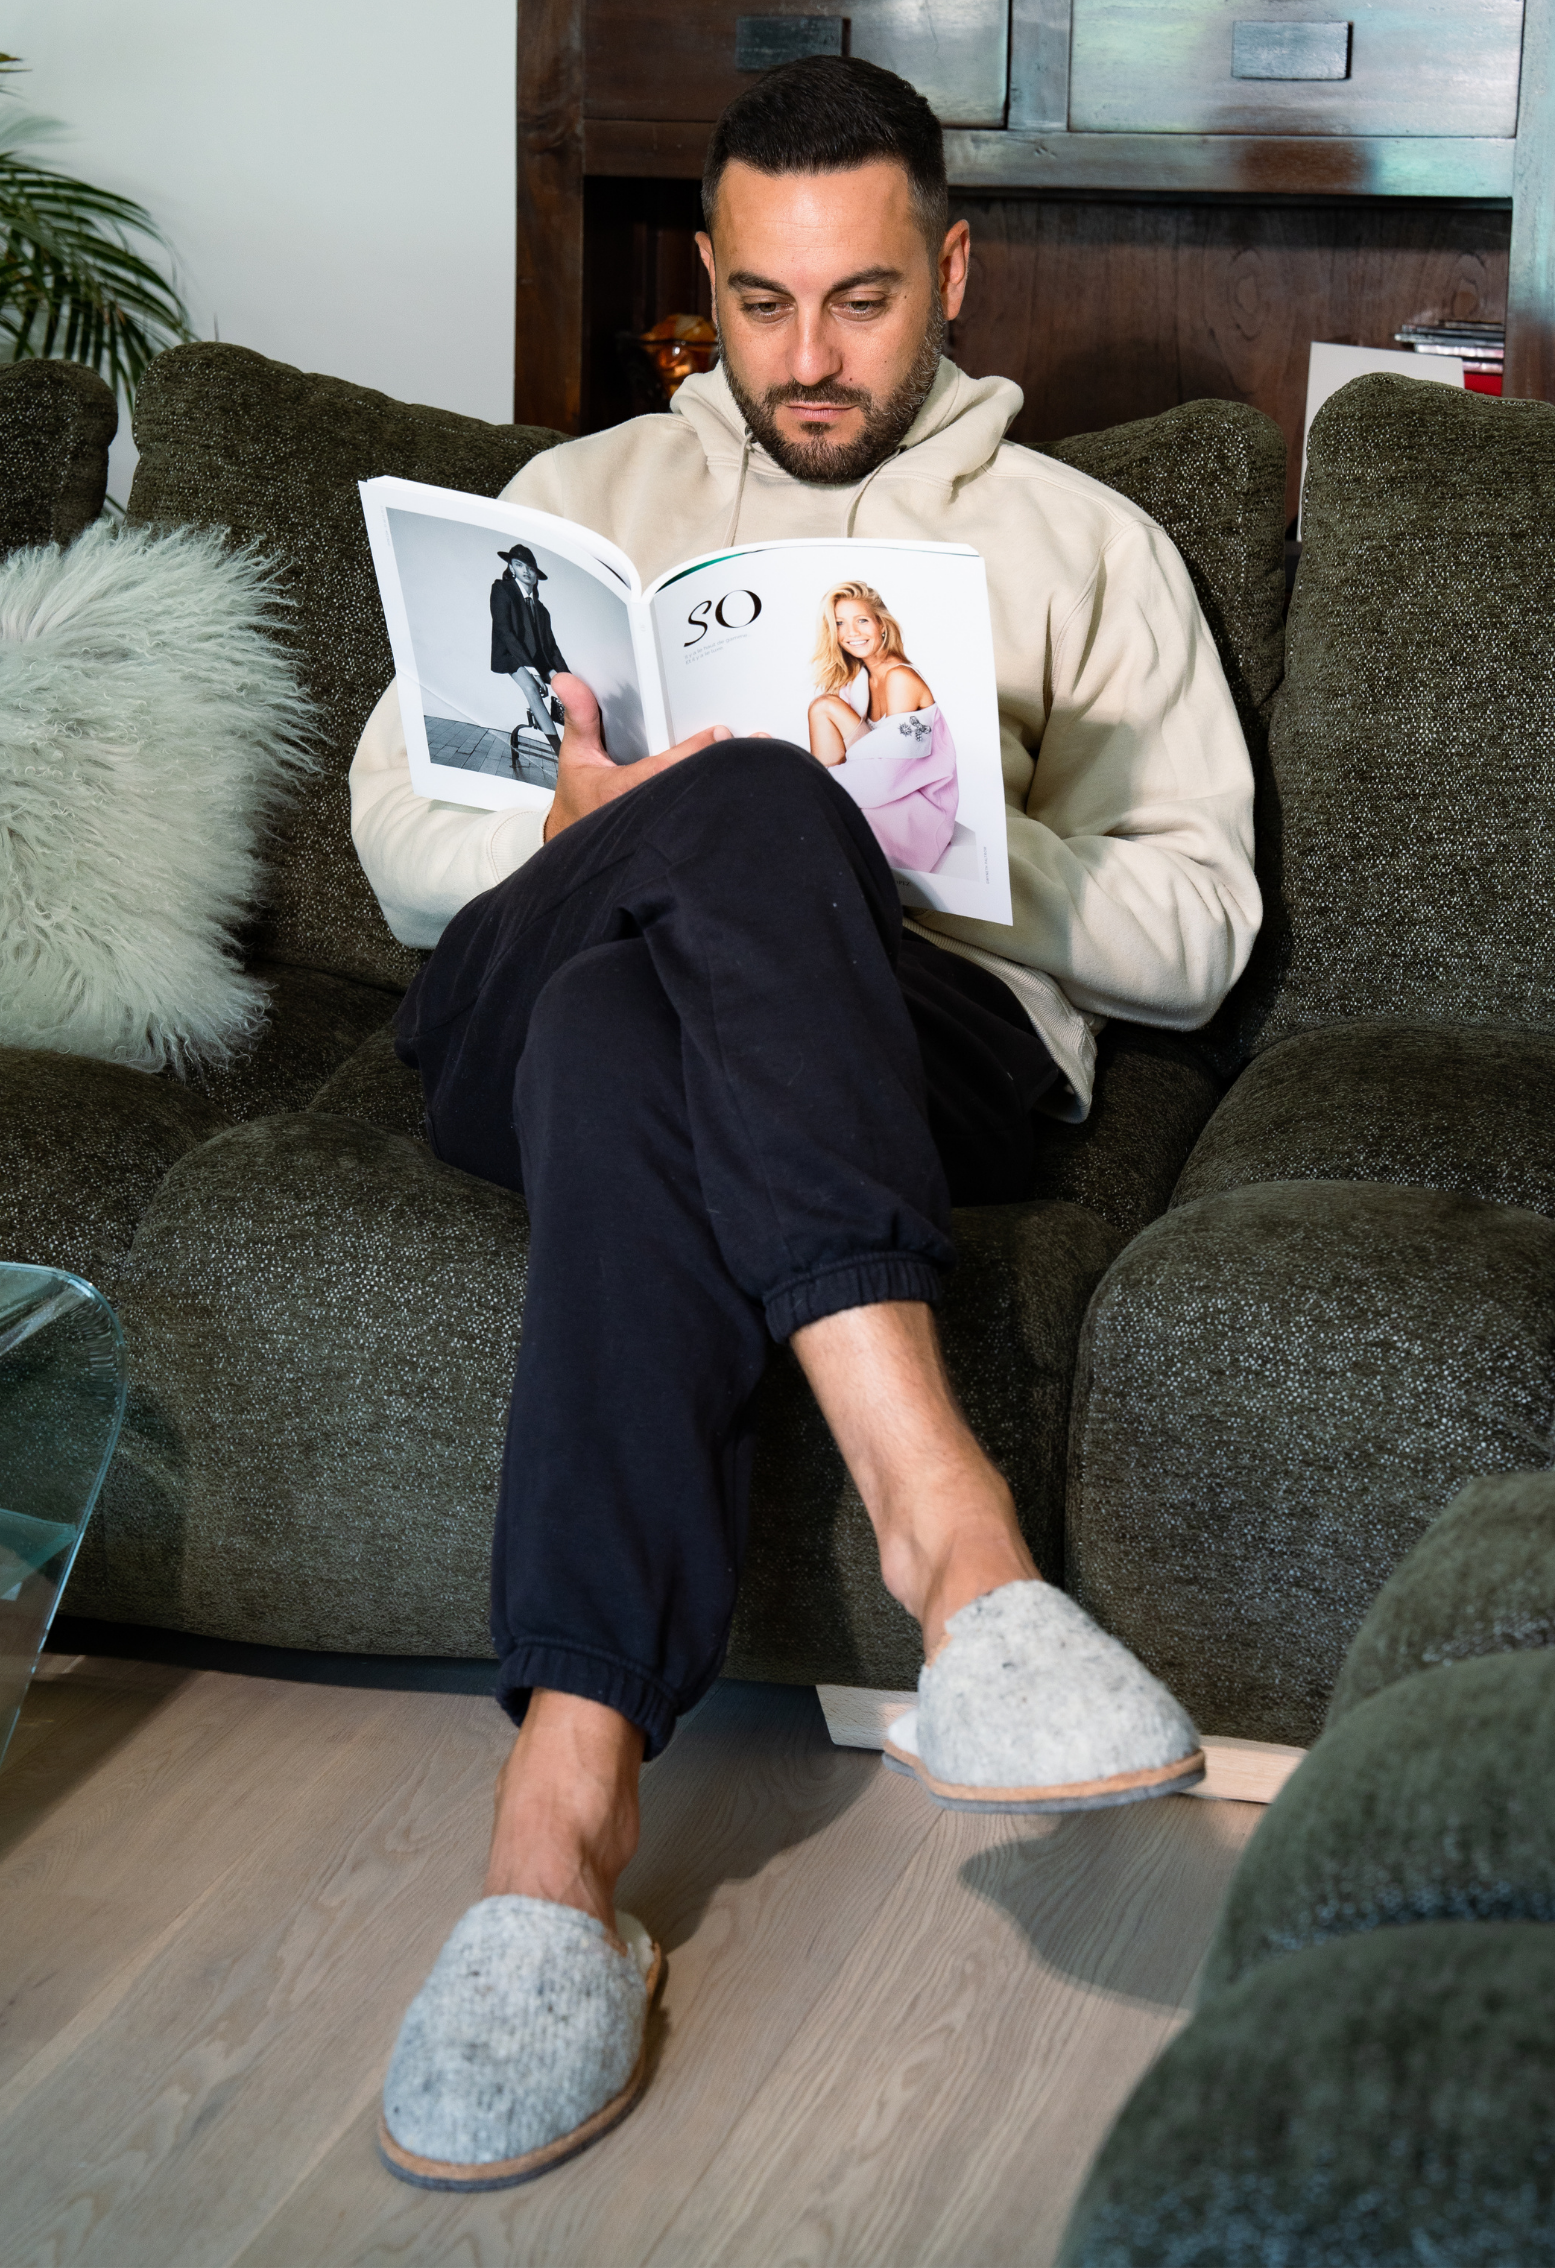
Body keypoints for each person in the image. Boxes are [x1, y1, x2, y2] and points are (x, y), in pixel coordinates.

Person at [351, 53, 1261, 2192]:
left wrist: (932, 848)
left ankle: (556, 1834)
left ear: (952, 268)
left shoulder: (1082, 543)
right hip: (511, 976)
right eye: (762, 304)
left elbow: (1202, 930)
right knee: (691, 853)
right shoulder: (576, 506)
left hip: (907, 1047)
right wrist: (585, 826)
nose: (808, 354)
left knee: (627, 1017)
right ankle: (958, 1553)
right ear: (708, 279)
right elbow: (396, 841)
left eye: (859, 299)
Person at [807, 578, 959, 870]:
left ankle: (819, 796)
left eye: (862, 620)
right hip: (881, 784)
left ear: (882, 625)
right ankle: (820, 799)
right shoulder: (857, 681)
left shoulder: (900, 678)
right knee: (823, 706)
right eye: (839, 623)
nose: (851, 632)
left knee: (822, 833)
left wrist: (815, 785)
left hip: (917, 802)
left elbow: (891, 775)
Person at [490, 541, 566, 780]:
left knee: (571, 691)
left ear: (536, 575)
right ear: (511, 567)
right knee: (533, 689)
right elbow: (505, 631)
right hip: (511, 656)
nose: (525, 571)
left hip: (538, 658)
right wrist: (532, 670)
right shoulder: (502, 590)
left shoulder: (542, 610)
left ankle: (576, 741)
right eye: (519, 565)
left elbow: (552, 648)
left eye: (530, 568)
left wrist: (566, 679)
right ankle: (560, 752)